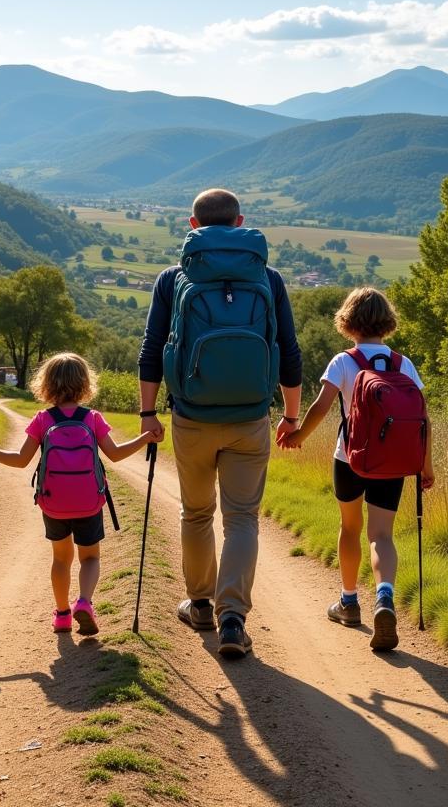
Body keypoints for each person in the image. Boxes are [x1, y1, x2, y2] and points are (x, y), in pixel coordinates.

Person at [138, 189, 302, 658]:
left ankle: (201, 604)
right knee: (243, 519)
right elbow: (289, 353)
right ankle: (234, 619)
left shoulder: (174, 278)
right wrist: (290, 415)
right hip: (250, 416)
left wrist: (149, 414)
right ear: (240, 222)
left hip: (191, 416)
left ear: (194, 225)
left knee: (196, 513)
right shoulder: (268, 277)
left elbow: (152, 351)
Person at [280, 286, 434, 651]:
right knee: (382, 535)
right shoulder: (403, 364)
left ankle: (349, 602)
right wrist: (425, 466)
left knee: (350, 527)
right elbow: (423, 418)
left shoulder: (343, 361)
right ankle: (384, 597)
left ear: (348, 322)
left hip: (349, 459)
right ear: (387, 322)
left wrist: (298, 435)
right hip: (393, 463)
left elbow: (321, 406)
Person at [0, 353, 158, 635]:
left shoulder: (42, 420)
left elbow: (20, 458)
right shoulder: (91, 418)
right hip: (89, 503)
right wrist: (145, 438)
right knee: (90, 558)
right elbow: (114, 454)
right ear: (85, 384)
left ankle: (62, 615)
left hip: (53, 504)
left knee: (61, 559)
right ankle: (85, 603)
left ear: (47, 385)